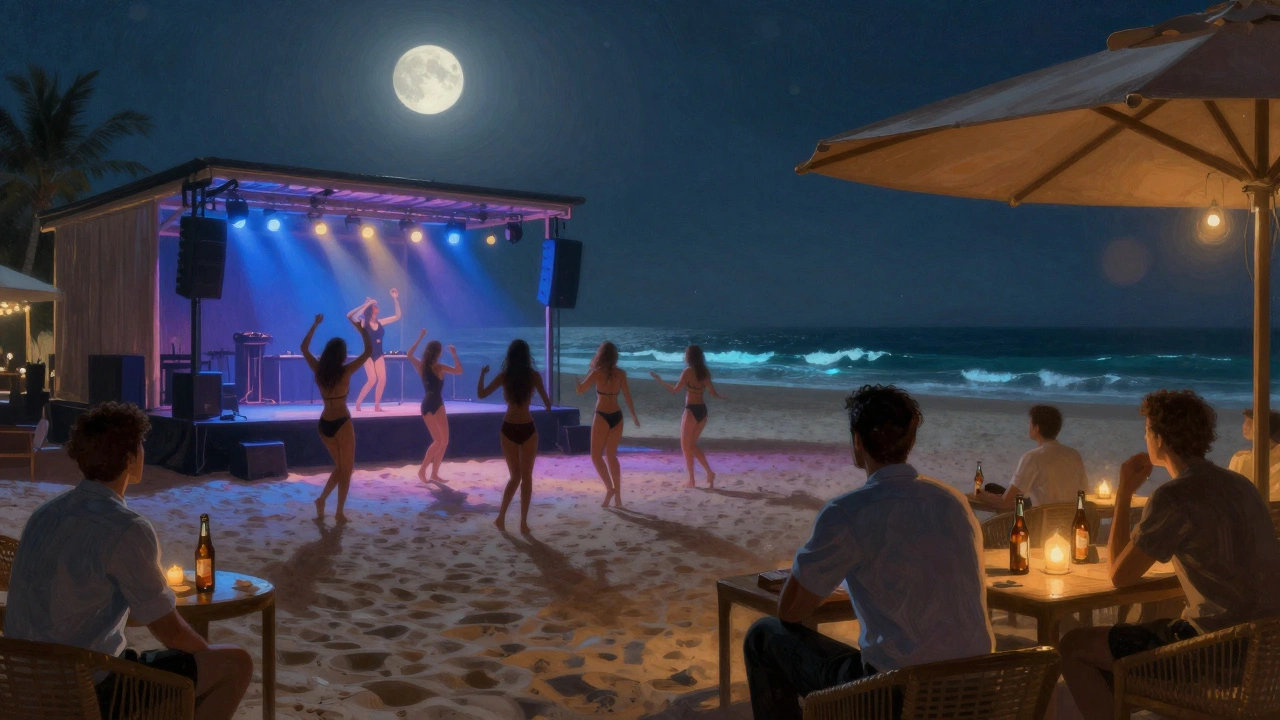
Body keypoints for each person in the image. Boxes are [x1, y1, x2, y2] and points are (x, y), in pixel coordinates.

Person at [743, 385, 994, 720]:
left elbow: (790, 611)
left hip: (897, 696)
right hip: (976, 690)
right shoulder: (953, 502)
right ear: (910, 442)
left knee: (763, 636)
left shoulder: (848, 512)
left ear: (858, 442)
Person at [3, 403, 253, 720]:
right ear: (131, 458)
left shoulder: (44, 515)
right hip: (83, 690)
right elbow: (169, 631)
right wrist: (207, 655)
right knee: (235, 663)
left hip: (18, 686)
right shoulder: (126, 527)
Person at [1060, 390, 1280, 720]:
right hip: (1266, 653)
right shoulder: (1241, 486)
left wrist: (1124, 493)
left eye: (1147, 431)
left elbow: (1119, 575)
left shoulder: (1175, 496)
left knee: (1073, 646)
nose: (1146, 437)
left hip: (1214, 654)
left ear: (1159, 438)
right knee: (1143, 631)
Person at [303, 313, 372, 523]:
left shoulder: (319, 370)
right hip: (341, 422)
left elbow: (304, 348)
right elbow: (369, 351)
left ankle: (322, 500)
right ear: (342, 355)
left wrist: (315, 324)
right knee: (346, 470)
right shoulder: (346, 371)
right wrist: (360, 328)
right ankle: (339, 512)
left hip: (324, 424)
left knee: (341, 468)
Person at [478, 339, 552, 534]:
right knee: (525, 477)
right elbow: (547, 402)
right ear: (527, 356)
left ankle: (502, 517)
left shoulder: (505, 376)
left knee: (516, 477)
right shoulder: (533, 376)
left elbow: (481, 394)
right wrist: (546, 404)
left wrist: (482, 374)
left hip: (509, 428)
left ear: (510, 356)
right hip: (527, 428)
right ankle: (522, 522)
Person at [975, 404, 1088, 510]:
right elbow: (1084, 492)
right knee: (994, 488)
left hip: (1043, 519)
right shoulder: (1074, 455)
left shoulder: (1032, 457)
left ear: (1037, 428)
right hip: (1071, 517)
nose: (1029, 426)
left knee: (991, 491)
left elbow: (1005, 503)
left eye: (1030, 423)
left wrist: (978, 493)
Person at [574, 341, 640, 507]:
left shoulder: (596, 373)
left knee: (596, 456)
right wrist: (634, 416)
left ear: (600, 355)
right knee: (611, 456)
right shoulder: (621, 374)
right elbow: (627, 395)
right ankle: (617, 497)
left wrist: (577, 381)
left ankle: (610, 488)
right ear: (615, 356)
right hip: (617, 416)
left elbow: (580, 391)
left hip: (602, 415)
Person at [650, 345, 725, 488]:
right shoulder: (705, 372)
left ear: (689, 357)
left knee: (686, 446)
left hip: (691, 410)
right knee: (692, 445)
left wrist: (659, 380)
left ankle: (693, 480)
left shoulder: (687, 372)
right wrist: (722, 396)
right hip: (703, 411)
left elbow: (674, 390)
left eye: (685, 354)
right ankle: (708, 473)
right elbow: (713, 393)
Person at [408, 329, 463, 484]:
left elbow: (409, 354)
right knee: (439, 441)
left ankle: (434, 473)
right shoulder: (437, 367)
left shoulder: (422, 366)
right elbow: (459, 371)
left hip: (433, 404)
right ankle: (422, 470)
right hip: (433, 404)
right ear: (438, 353)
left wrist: (420, 337)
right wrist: (454, 354)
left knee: (444, 441)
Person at [348, 288, 401, 412]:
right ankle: (358, 403)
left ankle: (377, 405)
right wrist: (366, 304)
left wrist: (395, 299)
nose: (377, 307)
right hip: (367, 354)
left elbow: (397, 316)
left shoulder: (380, 322)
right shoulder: (363, 323)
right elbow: (351, 316)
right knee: (372, 379)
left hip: (378, 354)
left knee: (382, 379)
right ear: (370, 310)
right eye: (375, 306)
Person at [1227, 407, 1280, 498]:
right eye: (1245, 421)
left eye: (1250, 421)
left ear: (1264, 426)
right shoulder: (1241, 458)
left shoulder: (1241, 459)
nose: (1244, 426)